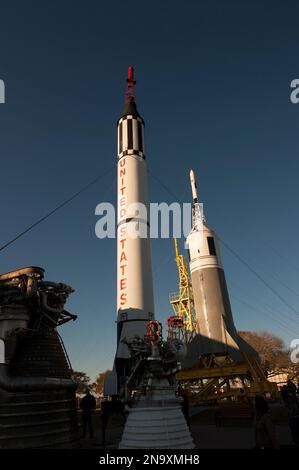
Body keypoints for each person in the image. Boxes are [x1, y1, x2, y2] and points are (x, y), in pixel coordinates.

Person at [281, 379, 299, 445]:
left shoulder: (288, 394)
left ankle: (295, 440)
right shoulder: (291, 395)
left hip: (292, 416)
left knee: (293, 428)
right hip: (294, 415)